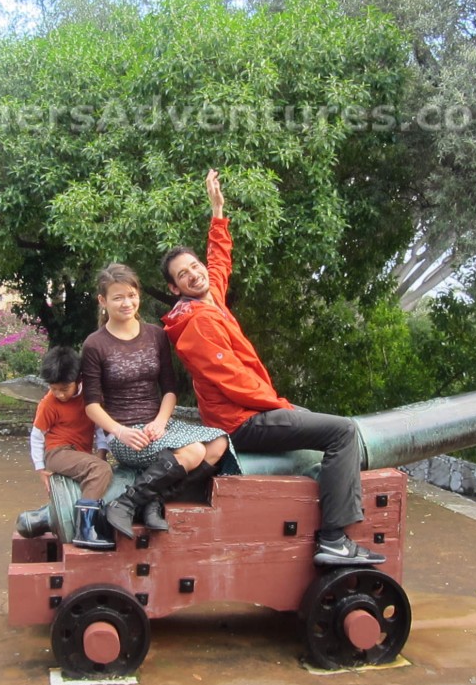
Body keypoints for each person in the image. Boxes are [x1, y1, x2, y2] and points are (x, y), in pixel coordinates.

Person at [160, 169, 385, 566]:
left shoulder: (209, 300)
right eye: (184, 275)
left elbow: (219, 262)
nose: (195, 274)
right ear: (175, 288)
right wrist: (281, 405)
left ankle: (334, 532)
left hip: (253, 409)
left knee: (327, 427)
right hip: (240, 420)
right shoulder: (196, 323)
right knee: (343, 432)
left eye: (194, 266)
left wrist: (217, 213)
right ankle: (334, 538)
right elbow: (233, 383)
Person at [81, 262, 231, 540]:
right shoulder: (94, 344)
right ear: (103, 301)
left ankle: (151, 500)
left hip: (159, 425)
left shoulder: (156, 335)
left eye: (132, 295)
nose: (127, 303)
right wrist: (120, 431)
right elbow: (91, 404)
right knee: (194, 451)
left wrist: (161, 422)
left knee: (220, 441)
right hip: (125, 434)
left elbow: (170, 389)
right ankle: (125, 503)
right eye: (118, 297)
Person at [22, 346, 115, 549]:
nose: (59, 394)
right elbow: (37, 436)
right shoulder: (48, 403)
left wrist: (101, 453)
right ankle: (85, 528)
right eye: (54, 388)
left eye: (64, 389)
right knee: (100, 470)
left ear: (79, 380)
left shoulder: (90, 398)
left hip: (79, 452)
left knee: (101, 468)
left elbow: (99, 428)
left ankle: (89, 519)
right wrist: (40, 469)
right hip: (57, 452)